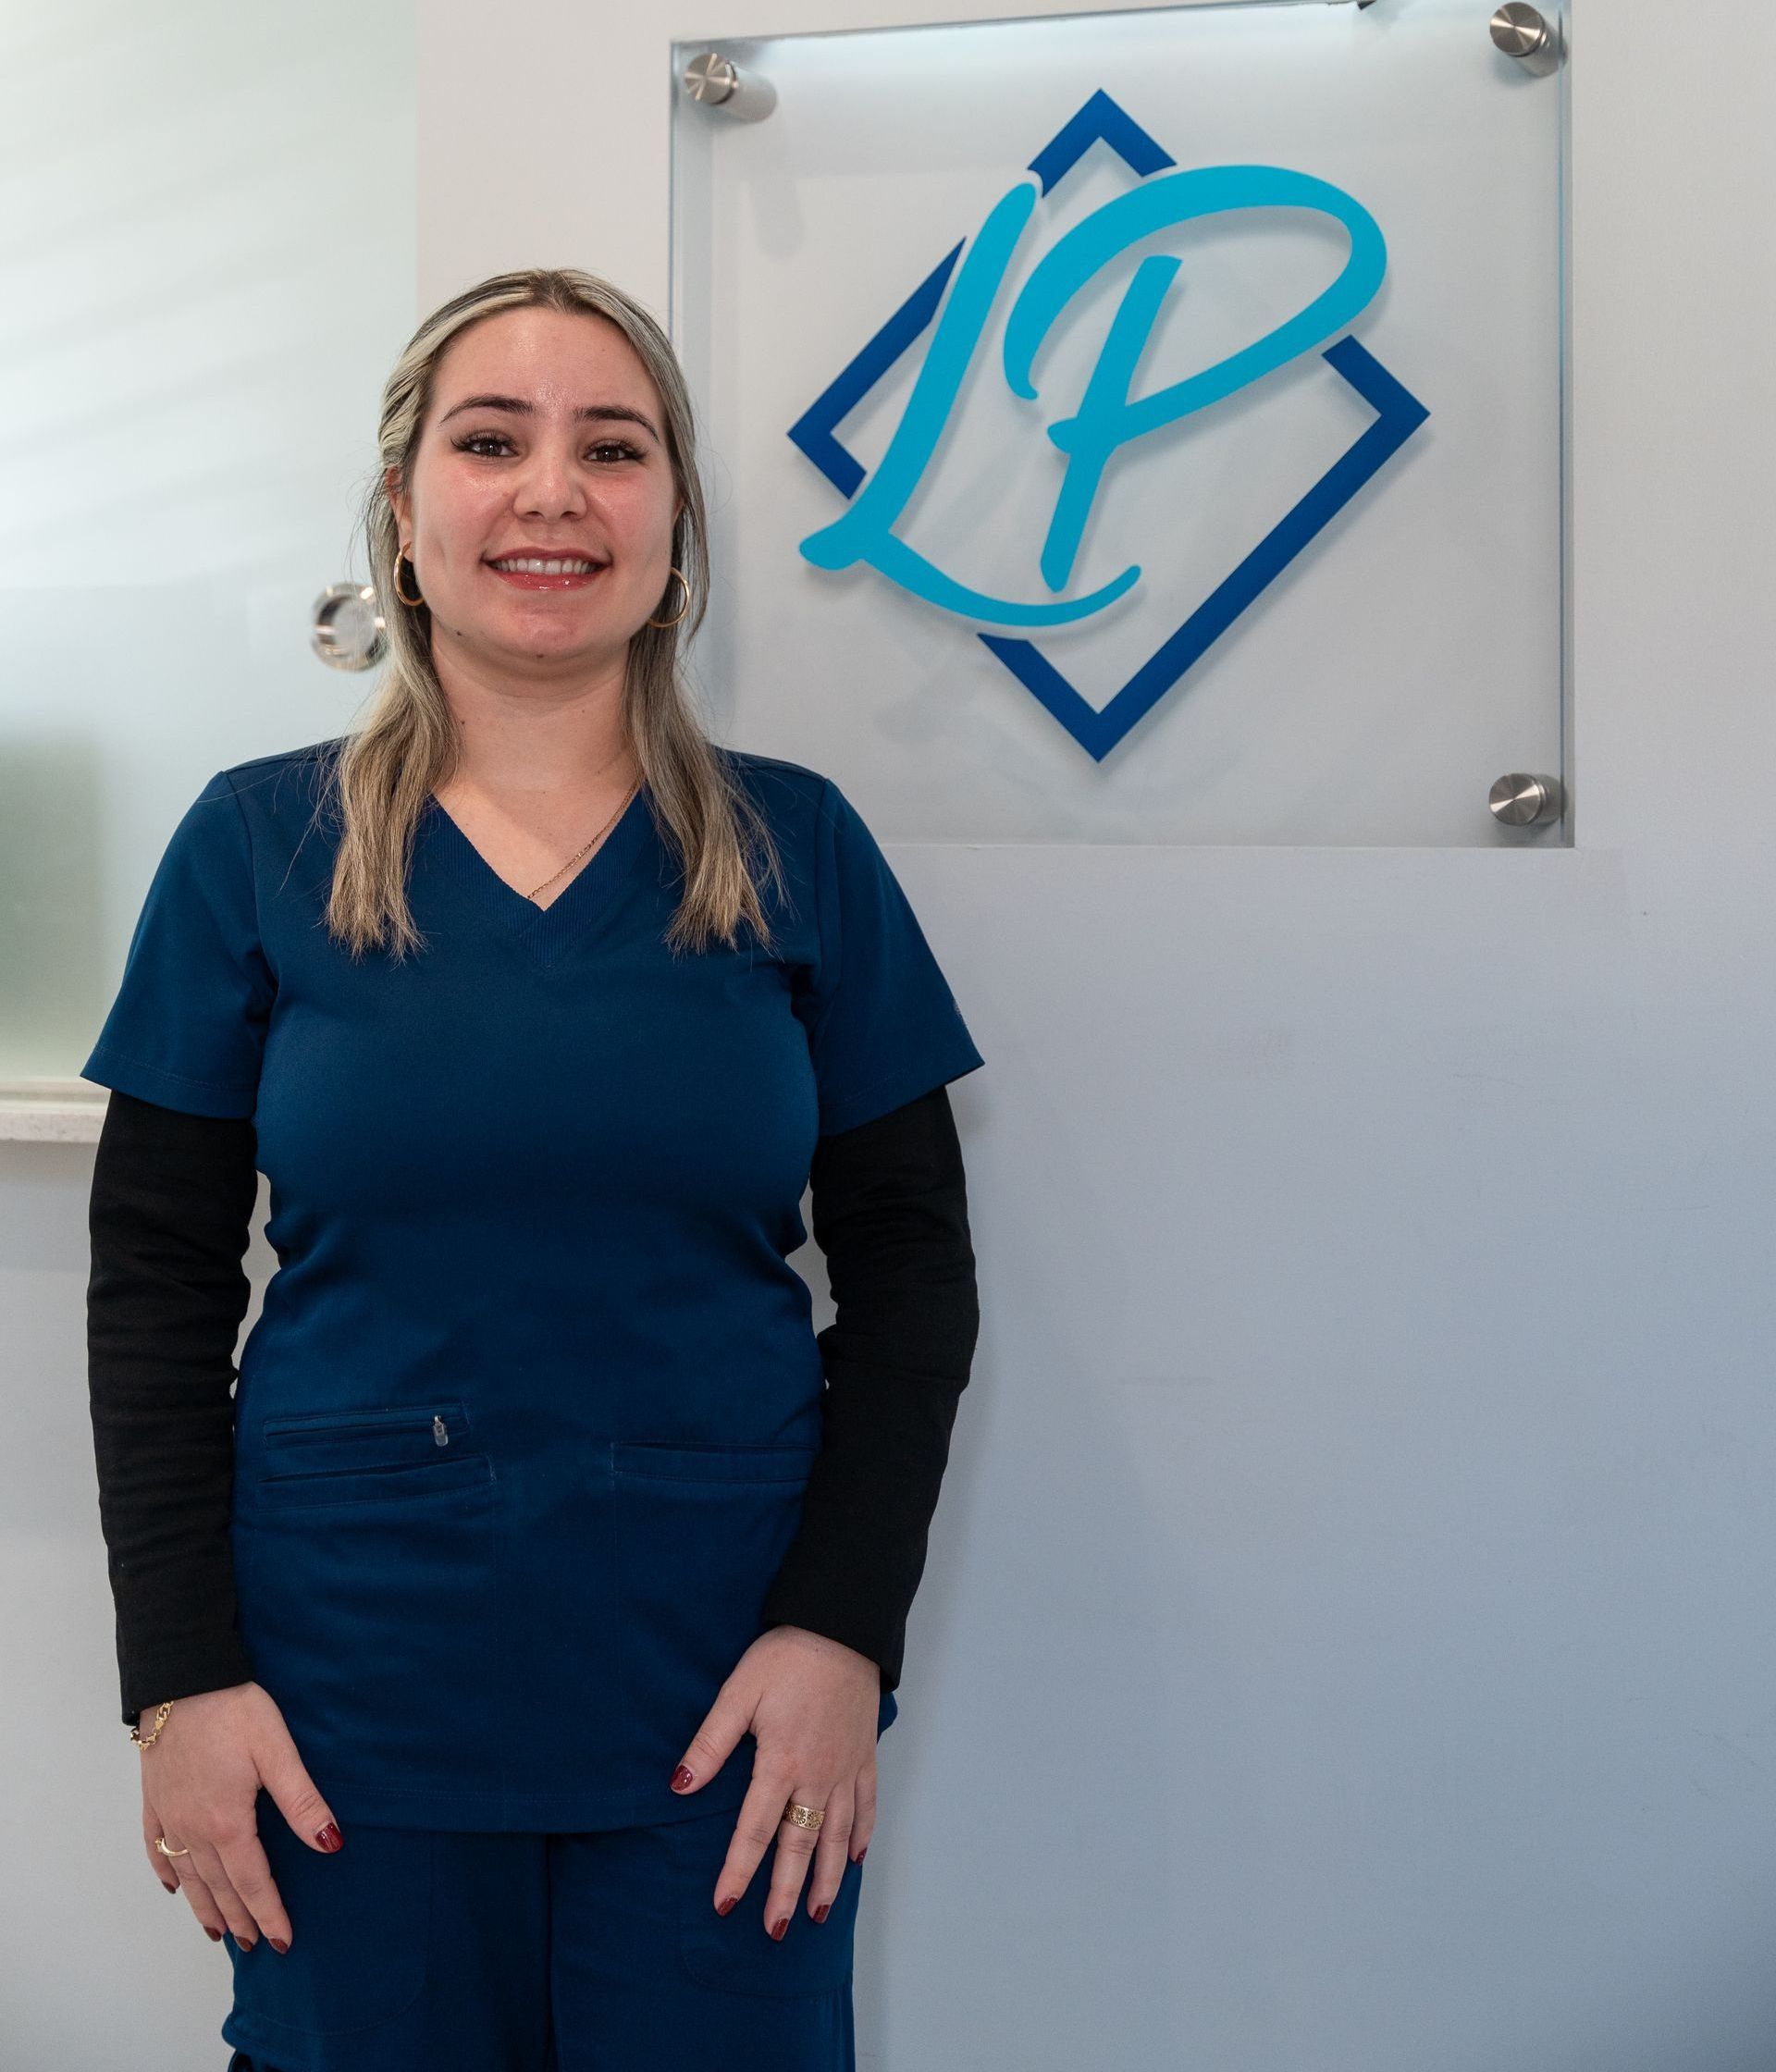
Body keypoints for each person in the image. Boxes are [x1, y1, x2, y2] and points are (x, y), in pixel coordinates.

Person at [81, 265, 985, 2071]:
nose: (552, 491)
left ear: (677, 527)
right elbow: (154, 1290)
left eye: (614, 447)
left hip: (725, 1699)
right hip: (346, 1705)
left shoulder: (797, 846)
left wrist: (839, 1638)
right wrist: (179, 1680)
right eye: (490, 441)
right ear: (407, 521)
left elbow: (914, 1277)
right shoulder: (258, 844)